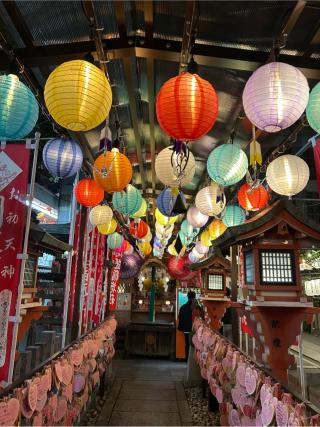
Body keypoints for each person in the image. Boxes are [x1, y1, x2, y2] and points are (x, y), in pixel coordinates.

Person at [178, 290, 196, 361]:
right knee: (195, 345)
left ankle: (187, 359)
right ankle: (193, 360)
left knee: (187, 344)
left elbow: (180, 317)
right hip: (195, 330)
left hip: (186, 329)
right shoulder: (197, 307)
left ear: (188, 297)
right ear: (194, 297)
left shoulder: (183, 307)